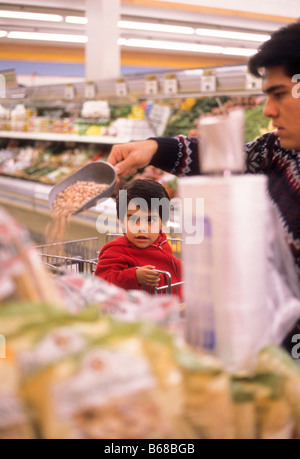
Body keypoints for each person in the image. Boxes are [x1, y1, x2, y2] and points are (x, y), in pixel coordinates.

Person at [107, 22, 300, 285]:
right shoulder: (279, 149)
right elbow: (227, 160)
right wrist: (154, 148)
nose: (267, 110)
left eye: (279, 94)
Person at [94, 179, 182, 297]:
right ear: (121, 221)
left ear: (163, 223)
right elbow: (100, 283)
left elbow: (171, 265)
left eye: (150, 220)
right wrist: (134, 276)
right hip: (138, 312)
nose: (141, 227)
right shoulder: (116, 250)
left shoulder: (161, 241)